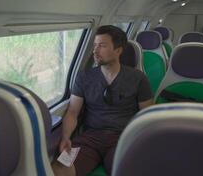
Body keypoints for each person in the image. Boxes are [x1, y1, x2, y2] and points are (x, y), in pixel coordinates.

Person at [52, 25, 153, 176]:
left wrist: (141, 142)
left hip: (123, 138)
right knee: (59, 170)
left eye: (102, 46)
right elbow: (72, 112)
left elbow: (147, 115)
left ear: (118, 50)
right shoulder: (84, 77)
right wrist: (66, 137)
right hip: (90, 138)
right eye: (94, 45)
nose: (95, 51)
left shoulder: (138, 79)